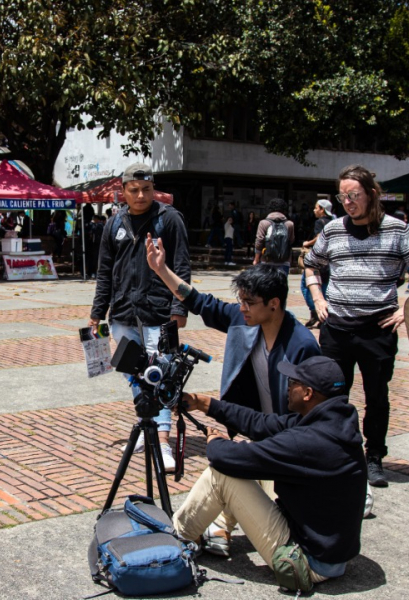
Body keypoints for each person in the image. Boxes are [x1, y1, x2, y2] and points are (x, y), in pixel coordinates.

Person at [146, 245, 320, 554]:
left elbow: (310, 419)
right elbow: (199, 302)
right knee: (233, 465)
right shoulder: (245, 320)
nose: (242, 308)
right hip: (252, 426)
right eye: (241, 301)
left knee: (233, 469)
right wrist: (161, 270)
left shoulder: (302, 346)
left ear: (274, 304)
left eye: (249, 302)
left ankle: (200, 531)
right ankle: (212, 529)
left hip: (287, 440)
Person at [171, 355, 367, 588]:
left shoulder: (308, 441)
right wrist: (203, 403)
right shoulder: (333, 421)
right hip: (331, 553)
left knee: (221, 474)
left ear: (307, 393)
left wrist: (214, 441)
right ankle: (218, 528)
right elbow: (261, 424)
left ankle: (178, 537)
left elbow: (225, 457)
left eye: (293, 383)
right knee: (256, 464)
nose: (288, 387)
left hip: (308, 562)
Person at [304, 165, 409, 487]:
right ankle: (336, 451)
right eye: (342, 196)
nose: (348, 202)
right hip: (336, 328)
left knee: (377, 396)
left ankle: (374, 455)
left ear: (372, 194)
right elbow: (311, 264)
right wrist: (318, 299)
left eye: (354, 195)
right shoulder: (333, 229)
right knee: (334, 395)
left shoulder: (397, 230)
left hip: (377, 329)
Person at [89, 162, 191, 471]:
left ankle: (162, 442)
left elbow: (182, 265)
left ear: (153, 188)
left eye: (146, 189)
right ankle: (148, 427)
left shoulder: (169, 219)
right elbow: (105, 272)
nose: (141, 195)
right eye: (134, 190)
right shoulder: (114, 223)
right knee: (133, 373)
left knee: (159, 375)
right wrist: (97, 312)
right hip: (122, 314)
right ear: (123, 192)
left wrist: (179, 308)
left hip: (159, 313)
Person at [300, 200, 335, 328]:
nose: (314, 210)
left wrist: (308, 243)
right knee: (324, 286)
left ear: (322, 209)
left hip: (318, 260)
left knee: (305, 285)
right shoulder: (334, 222)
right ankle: (323, 315)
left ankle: (315, 313)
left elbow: (320, 237)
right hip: (330, 261)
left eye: (316, 208)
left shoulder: (320, 222)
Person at [253, 198, 295, 274]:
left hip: (267, 260)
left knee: (267, 284)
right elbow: (291, 241)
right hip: (284, 261)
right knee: (281, 284)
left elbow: (259, 241)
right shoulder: (290, 224)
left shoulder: (263, 223)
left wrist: (256, 259)